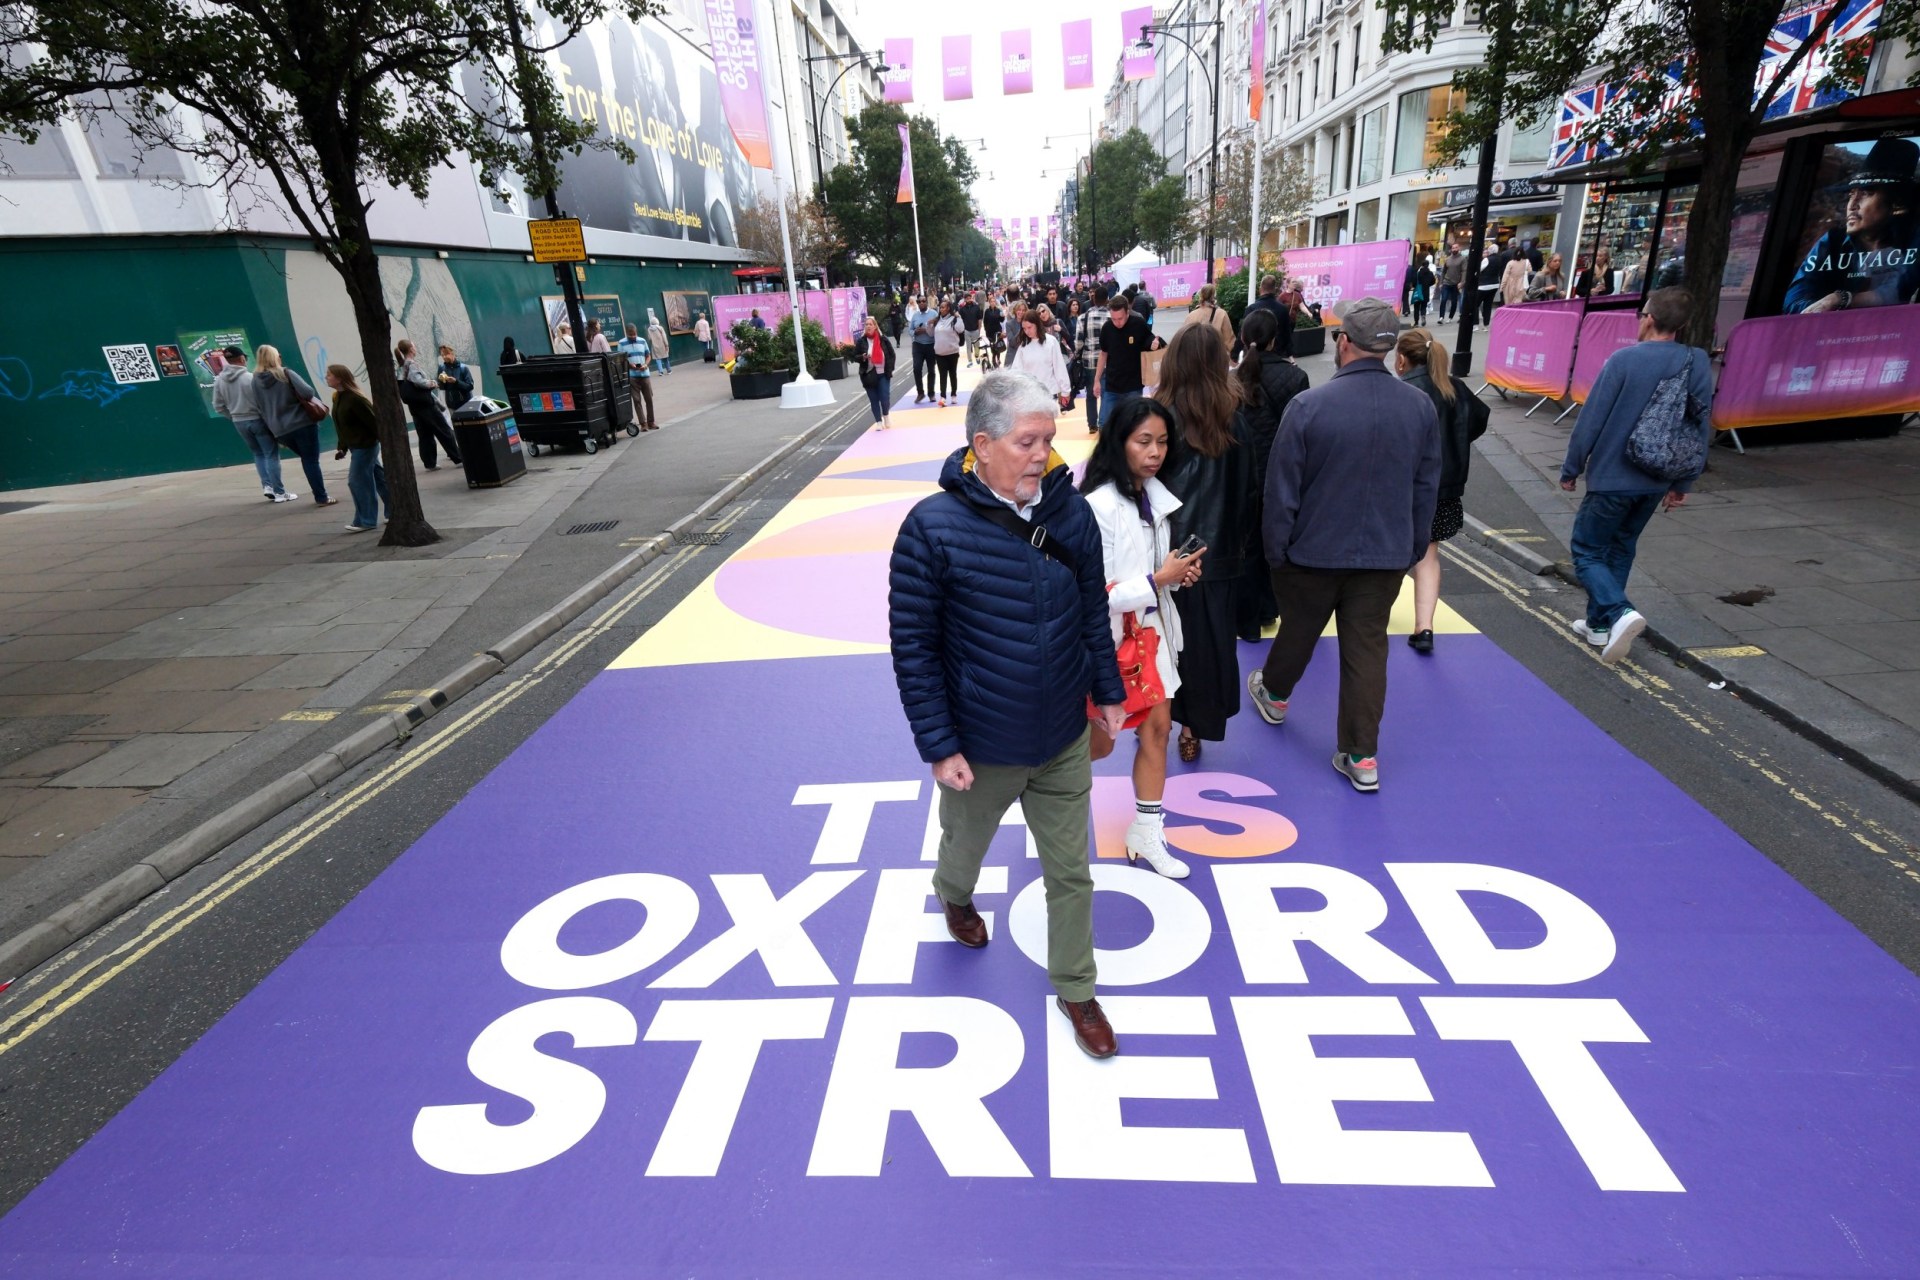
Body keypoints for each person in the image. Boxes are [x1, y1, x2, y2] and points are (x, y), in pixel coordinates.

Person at [888, 370, 1128, 1060]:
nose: (1042, 455)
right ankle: (954, 895)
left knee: (1071, 872)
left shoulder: (1070, 513)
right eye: (1027, 442)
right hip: (983, 743)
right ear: (982, 445)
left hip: (1062, 738)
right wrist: (940, 745)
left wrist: (1108, 690)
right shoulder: (931, 529)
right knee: (964, 848)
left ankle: (1077, 989)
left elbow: (1091, 608)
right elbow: (915, 647)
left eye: (1048, 440)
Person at [1246, 298, 1439, 794]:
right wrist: (1413, 546)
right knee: (1367, 651)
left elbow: (1281, 491)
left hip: (1312, 550)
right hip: (1385, 553)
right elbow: (1425, 488)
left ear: (1345, 341)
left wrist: (1275, 551)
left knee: (1299, 630)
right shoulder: (1419, 407)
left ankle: (1275, 694)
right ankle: (1361, 755)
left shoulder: (1309, 407)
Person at [1081, 397, 1204, 880]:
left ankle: (1147, 831)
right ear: (1120, 442)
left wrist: (1174, 577)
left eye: (1163, 442)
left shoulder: (1157, 498)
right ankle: (1045, 797)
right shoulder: (1097, 507)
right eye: (1143, 441)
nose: (1155, 452)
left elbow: (1152, 574)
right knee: (1098, 743)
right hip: (1109, 642)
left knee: (1158, 730)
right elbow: (1096, 593)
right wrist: (1158, 580)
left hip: (1153, 635)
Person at [1559, 287, 1715, 665]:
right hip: (1656, 479)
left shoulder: (1624, 360)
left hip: (1613, 477)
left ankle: (1619, 612)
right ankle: (1598, 626)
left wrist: (1572, 467)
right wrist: (1683, 483)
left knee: (1587, 551)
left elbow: (1591, 420)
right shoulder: (1696, 362)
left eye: (1641, 314)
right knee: (1621, 548)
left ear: (1649, 318)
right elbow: (1698, 426)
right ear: (1681, 325)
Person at [1154, 323, 1256, 764]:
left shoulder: (1158, 420)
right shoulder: (1237, 423)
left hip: (1166, 555)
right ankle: (1191, 729)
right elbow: (1249, 493)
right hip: (1218, 558)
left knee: (1157, 642)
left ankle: (1155, 721)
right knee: (1205, 650)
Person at [1396, 328, 1487, 654]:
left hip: (1404, 488)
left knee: (1391, 554)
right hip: (1444, 490)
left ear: (1402, 359)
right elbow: (1480, 419)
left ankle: (1370, 618)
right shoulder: (1456, 388)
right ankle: (1425, 628)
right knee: (1428, 555)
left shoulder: (1403, 391)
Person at [1230, 308, 1310, 642]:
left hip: (1242, 475)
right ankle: (1269, 609)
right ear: (1275, 339)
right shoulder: (1295, 378)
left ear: (1243, 337)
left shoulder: (1233, 379)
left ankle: (1247, 621)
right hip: (1282, 476)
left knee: (1246, 546)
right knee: (1276, 546)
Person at [1784, 137, 1920, 313]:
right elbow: (1793, 303)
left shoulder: (1915, 240)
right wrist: (1826, 308)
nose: (1852, 205)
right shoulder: (1831, 241)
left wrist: (1842, 300)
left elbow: (1902, 288)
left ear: (1897, 204)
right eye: (1851, 194)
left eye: (1866, 193)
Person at [252, 345, 336, 508]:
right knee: (310, 460)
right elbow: (307, 392)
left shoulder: (255, 380)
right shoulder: (285, 373)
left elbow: (259, 405)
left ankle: (321, 496)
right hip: (301, 423)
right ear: (275, 358)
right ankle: (321, 497)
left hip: (279, 429)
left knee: (306, 458)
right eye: (278, 355)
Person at [213, 343, 292, 502]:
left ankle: (267, 486)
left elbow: (218, 406)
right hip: (257, 420)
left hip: (239, 422)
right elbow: (263, 402)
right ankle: (279, 492)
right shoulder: (250, 378)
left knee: (258, 454)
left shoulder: (219, 381)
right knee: (271, 455)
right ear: (242, 359)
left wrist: (233, 416)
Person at [327, 364, 388, 533]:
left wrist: (384, 443)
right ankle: (394, 510)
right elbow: (342, 426)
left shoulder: (355, 399)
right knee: (380, 479)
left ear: (340, 378)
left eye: (329, 375)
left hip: (365, 446)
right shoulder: (337, 397)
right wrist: (342, 447)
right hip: (357, 446)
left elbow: (374, 422)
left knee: (357, 481)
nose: (327, 377)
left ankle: (366, 520)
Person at [1095, 295, 1162, 431]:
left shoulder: (1138, 324)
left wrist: (1154, 344)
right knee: (1105, 425)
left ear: (1127, 312)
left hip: (1133, 386)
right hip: (1112, 386)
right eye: (1113, 319)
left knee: (1133, 426)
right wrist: (1097, 380)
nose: (1117, 323)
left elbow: (1149, 341)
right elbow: (1103, 354)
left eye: (1120, 318)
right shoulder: (1107, 328)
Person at [395, 339, 461, 469]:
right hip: (425, 404)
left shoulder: (401, 366)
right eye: (414, 346)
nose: (416, 348)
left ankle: (430, 463)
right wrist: (433, 383)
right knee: (444, 430)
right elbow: (419, 382)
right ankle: (459, 458)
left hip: (414, 406)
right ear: (411, 349)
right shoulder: (412, 365)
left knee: (425, 434)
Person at [1006, 305, 1072, 406]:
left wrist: (1065, 391)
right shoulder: (1023, 346)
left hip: (1049, 393)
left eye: (1029, 327)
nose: (1027, 331)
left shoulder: (1051, 342)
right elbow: (1016, 371)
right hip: (1030, 395)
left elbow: (1059, 368)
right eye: (1024, 328)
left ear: (1037, 324)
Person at [1073, 285, 1110, 432]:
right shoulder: (1111, 317)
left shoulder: (1083, 317)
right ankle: (1104, 422)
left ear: (1093, 299)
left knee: (1091, 393)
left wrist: (1078, 352)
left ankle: (1092, 424)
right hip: (1108, 361)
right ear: (1107, 299)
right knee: (1106, 393)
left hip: (1089, 361)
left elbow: (1078, 343)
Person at [854, 314, 895, 429]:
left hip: (883, 374)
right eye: (866, 324)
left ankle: (886, 415)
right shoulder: (861, 341)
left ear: (875, 326)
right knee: (874, 399)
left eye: (870, 324)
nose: (868, 326)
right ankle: (878, 421)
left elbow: (891, 354)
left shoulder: (883, 339)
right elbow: (855, 356)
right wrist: (863, 357)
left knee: (884, 397)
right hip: (868, 375)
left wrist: (890, 368)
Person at [615, 322, 658, 431]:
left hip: (645, 374)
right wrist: (630, 365)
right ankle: (643, 423)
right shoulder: (621, 343)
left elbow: (648, 355)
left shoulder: (642, 341)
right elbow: (620, 359)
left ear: (636, 332)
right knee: (636, 400)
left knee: (649, 399)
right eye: (630, 335)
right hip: (632, 376)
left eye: (634, 334)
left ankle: (651, 422)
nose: (633, 336)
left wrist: (646, 365)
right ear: (626, 333)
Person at [1240, 273, 1292, 358]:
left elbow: (1243, 332)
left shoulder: (1252, 308)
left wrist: (1235, 353)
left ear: (1260, 289)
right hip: (1277, 353)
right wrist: (1288, 352)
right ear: (1274, 289)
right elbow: (1286, 334)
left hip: (1254, 352)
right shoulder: (1283, 309)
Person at [930, 299, 965, 406]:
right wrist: (929, 324)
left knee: (952, 374)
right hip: (940, 353)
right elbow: (931, 334)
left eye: (943, 307)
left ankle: (954, 395)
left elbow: (960, 329)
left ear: (948, 308)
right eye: (940, 307)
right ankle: (943, 397)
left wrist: (959, 317)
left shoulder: (954, 319)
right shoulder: (937, 321)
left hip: (952, 352)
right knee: (942, 375)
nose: (941, 309)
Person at [1184, 281, 1236, 349]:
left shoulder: (1191, 315)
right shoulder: (1222, 314)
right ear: (1214, 296)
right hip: (1216, 353)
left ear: (1201, 295)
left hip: (1195, 353)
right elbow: (1229, 340)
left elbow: (1184, 338)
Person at [906, 294, 938, 403]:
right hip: (918, 345)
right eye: (919, 301)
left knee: (931, 370)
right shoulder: (915, 315)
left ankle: (931, 393)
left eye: (924, 301)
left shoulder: (934, 314)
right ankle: (920, 393)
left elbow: (938, 328)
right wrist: (915, 332)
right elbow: (910, 330)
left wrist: (926, 330)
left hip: (930, 345)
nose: (922, 303)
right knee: (916, 368)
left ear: (927, 302)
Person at [436, 345, 474, 415]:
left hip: (465, 404)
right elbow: (442, 387)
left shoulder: (463, 368)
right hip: (451, 406)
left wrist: (456, 381)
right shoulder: (441, 368)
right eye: (442, 355)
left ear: (452, 353)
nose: (444, 357)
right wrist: (441, 381)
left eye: (446, 354)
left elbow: (470, 386)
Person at [1438, 243, 1466, 322]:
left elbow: (1464, 271)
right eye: (1453, 248)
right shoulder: (1448, 259)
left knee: (1454, 301)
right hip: (1446, 282)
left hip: (1456, 283)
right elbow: (1443, 271)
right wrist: (1441, 283)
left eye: (1456, 248)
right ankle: (1441, 317)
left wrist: (1462, 282)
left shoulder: (1462, 259)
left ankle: (1450, 317)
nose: (1454, 249)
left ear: (1459, 248)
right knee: (1443, 299)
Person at [1407, 253, 1436, 326]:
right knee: (1423, 306)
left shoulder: (1418, 273)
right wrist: (1428, 285)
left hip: (1418, 291)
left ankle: (1416, 322)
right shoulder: (1430, 273)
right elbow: (1433, 281)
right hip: (1426, 292)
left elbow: (1414, 282)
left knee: (1416, 307)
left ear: (1422, 265)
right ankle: (1423, 316)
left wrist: (1414, 286)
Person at [959, 291, 985, 367]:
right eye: (967, 298)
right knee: (968, 346)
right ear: (964, 299)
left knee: (977, 345)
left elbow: (979, 319)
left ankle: (977, 356)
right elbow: (961, 320)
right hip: (967, 330)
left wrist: (979, 329)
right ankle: (970, 361)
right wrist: (963, 330)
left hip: (975, 329)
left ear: (971, 298)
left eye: (969, 298)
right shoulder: (962, 309)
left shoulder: (976, 307)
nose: (968, 299)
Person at [982, 295, 1005, 370]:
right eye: (991, 302)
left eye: (994, 301)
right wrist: (986, 329)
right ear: (989, 303)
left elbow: (1001, 320)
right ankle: (994, 358)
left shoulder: (998, 310)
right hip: (990, 331)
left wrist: (1003, 316)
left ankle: (997, 359)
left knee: (998, 346)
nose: (993, 303)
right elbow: (985, 321)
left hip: (997, 331)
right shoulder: (987, 311)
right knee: (992, 346)